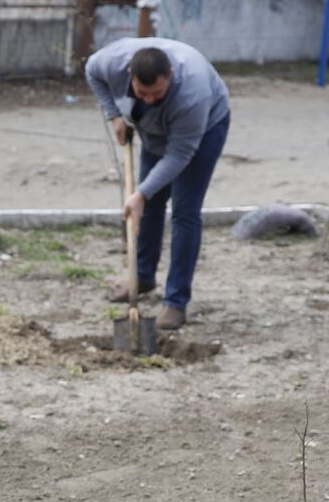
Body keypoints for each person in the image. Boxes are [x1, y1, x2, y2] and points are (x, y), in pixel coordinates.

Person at [84, 35, 232, 331]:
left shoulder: (194, 93)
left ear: (171, 77)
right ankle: (141, 277)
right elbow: (91, 71)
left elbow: (179, 154)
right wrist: (113, 115)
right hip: (154, 130)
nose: (149, 98)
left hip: (203, 131)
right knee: (148, 204)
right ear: (130, 76)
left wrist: (140, 192)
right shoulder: (112, 62)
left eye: (157, 92)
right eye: (142, 93)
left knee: (184, 212)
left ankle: (176, 302)